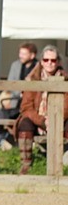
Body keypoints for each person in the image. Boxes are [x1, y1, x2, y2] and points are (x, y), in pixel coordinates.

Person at [15, 45, 66, 175]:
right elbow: (26, 107)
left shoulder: (65, 79)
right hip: (38, 117)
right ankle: (26, 164)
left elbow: (67, 105)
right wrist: (43, 121)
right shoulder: (32, 79)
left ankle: (60, 164)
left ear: (58, 62)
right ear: (42, 61)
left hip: (59, 117)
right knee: (24, 123)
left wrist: (55, 119)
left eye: (53, 60)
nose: (50, 63)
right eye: (46, 60)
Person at [0, 42, 38, 122]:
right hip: (15, 102)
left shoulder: (38, 66)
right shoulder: (15, 65)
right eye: (20, 53)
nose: (20, 56)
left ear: (32, 55)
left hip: (33, 103)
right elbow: (10, 83)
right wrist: (19, 93)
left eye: (24, 54)